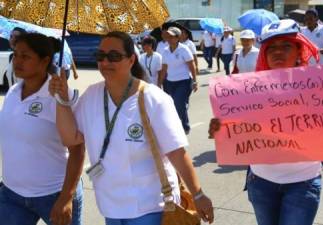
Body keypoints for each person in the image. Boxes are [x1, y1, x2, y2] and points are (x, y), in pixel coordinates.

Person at [208, 19, 323, 225]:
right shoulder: (247, 91)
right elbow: (234, 128)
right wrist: (219, 129)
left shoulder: (322, 86)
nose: (277, 52)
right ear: (264, 52)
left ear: (299, 50)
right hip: (261, 182)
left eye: (285, 46)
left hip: (303, 183)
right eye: (271, 47)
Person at [49, 31, 214, 225]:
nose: (105, 62)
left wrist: (198, 194)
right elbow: (71, 139)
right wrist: (61, 100)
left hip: (150, 206)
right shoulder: (92, 95)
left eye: (114, 56)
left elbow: (176, 152)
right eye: (100, 56)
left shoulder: (153, 98)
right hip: (110, 206)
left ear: (131, 59)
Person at [0, 33, 84, 225]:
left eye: (26, 56)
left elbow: (78, 150)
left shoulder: (62, 95)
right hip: (12, 194)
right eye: (16, 54)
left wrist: (66, 198)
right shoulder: (13, 91)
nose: (17, 61)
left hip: (54, 194)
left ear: (45, 60)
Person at [160, 27, 198, 135]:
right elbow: (164, 68)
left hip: (184, 81)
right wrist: (159, 82)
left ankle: (185, 126)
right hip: (170, 82)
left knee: (178, 103)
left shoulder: (184, 49)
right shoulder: (165, 51)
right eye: (168, 36)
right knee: (173, 104)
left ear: (178, 37)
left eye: (172, 36)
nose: (169, 38)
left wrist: (195, 81)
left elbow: (192, 66)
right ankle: (183, 108)